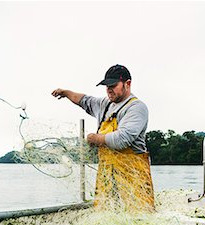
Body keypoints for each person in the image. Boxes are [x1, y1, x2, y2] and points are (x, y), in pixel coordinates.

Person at [52, 64, 155, 212]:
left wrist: (95, 138)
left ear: (128, 84)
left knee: (138, 217)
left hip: (133, 178)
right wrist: (66, 93)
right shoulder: (105, 104)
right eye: (106, 86)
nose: (109, 89)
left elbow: (122, 139)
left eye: (113, 85)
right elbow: (84, 100)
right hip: (107, 175)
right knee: (106, 214)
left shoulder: (136, 108)